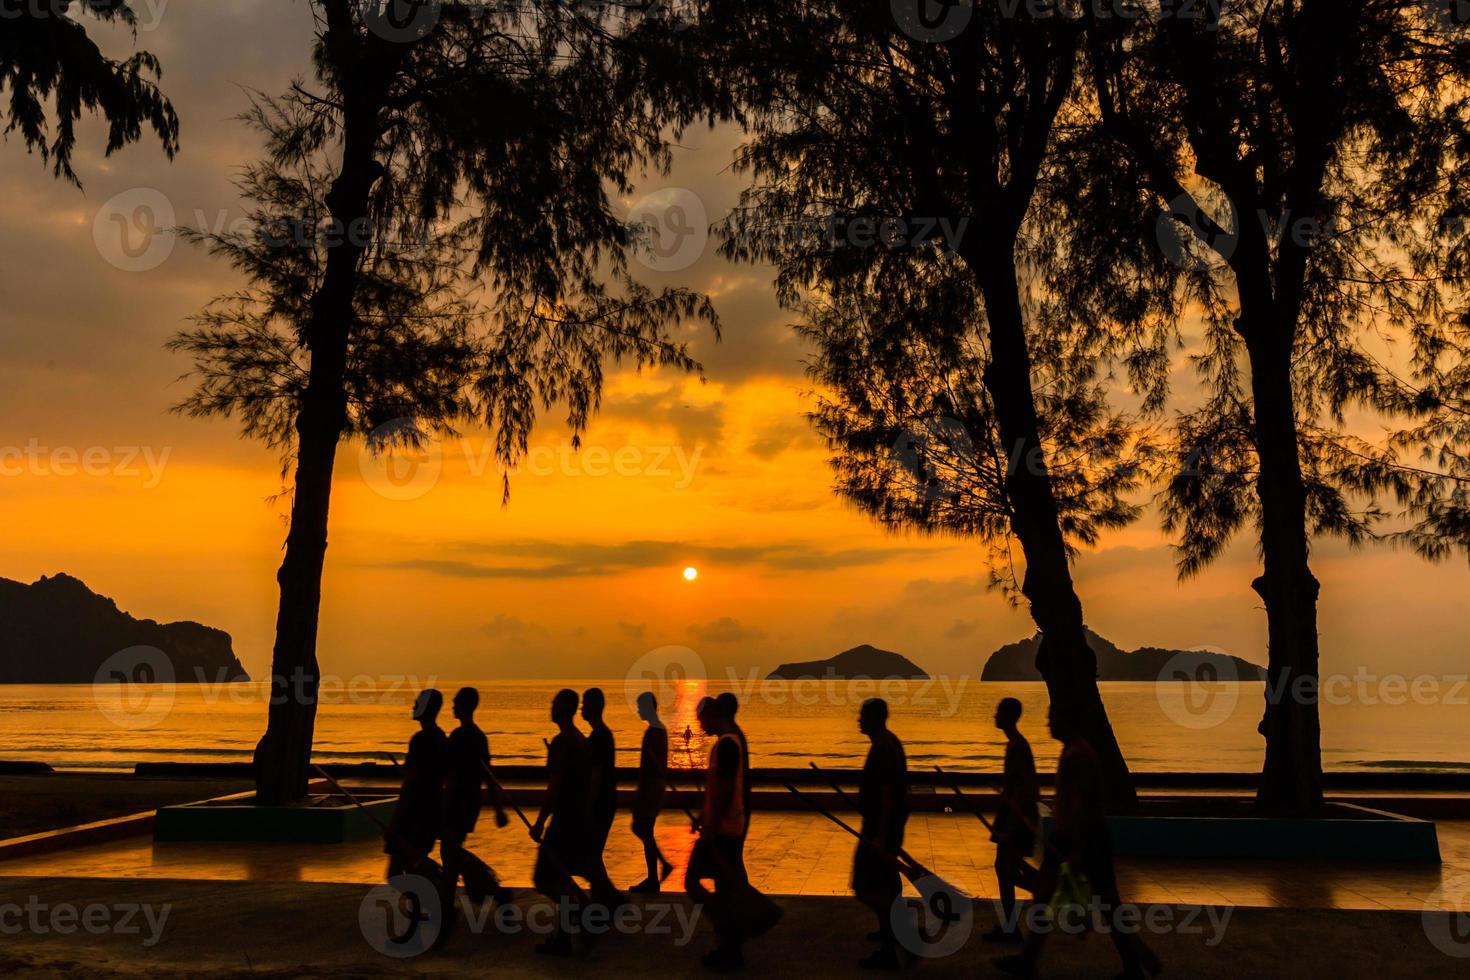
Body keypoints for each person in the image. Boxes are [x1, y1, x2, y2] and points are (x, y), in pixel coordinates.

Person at [996, 705, 1161, 980]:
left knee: (1105, 905)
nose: (1048, 722)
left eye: (1053, 717)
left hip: (1082, 839)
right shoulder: (1074, 751)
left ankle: (1136, 961)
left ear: (1067, 721)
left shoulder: (1078, 755)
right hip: (1075, 837)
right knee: (1048, 897)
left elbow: (1081, 804)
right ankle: (1028, 960)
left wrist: (1074, 850)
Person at [685, 695, 778, 970]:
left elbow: (726, 791)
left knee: (694, 882)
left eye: (702, 719)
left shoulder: (727, 745)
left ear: (713, 715)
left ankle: (732, 931)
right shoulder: (730, 741)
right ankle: (730, 944)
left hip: (723, 831)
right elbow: (721, 789)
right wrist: (704, 815)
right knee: (726, 887)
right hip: (723, 827)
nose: (700, 725)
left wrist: (711, 830)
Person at [530, 688, 592, 956]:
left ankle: (582, 911)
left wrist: (540, 821)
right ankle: (565, 936)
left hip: (564, 820)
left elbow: (554, 787)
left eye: (554, 703)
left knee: (544, 878)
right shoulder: (581, 740)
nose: (550, 707)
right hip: (578, 817)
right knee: (562, 878)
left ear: (562, 709)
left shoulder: (562, 742)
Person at [442, 686, 512, 910]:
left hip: (457, 802)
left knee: (450, 850)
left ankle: (491, 890)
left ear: (463, 706)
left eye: (455, 702)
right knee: (450, 850)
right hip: (470, 803)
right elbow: (489, 775)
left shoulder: (459, 736)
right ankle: (452, 899)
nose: (452, 706)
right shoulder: (479, 736)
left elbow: (451, 773)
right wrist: (498, 809)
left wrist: (444, 802)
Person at [853, 697, 909, 970]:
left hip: (879, 829)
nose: (858, 719)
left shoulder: (882, 749)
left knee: (865, 887)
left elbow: (886, 795)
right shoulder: (889, 742)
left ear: (875, 718)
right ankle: (894, 929)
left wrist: (881, 836)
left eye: (863, 715)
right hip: (886, 827)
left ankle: (892, 942)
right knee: (888, 883)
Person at [986, 696, 1038, 942]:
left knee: (1007, 868)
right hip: (1013, 814)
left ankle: (1042, 892)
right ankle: (1009, 925)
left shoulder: (1017, 746)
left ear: (1009, 716)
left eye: (999, 711)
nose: (994, 715)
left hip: (1017, 817)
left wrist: (1010, 826)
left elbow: (1021, 791)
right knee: (1005, 867)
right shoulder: (1015, 744)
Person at [384, 689, 448, 879]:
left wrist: (395, 822)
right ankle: (424, 905)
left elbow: (410, 784)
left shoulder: (420, 740)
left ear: (427, 708)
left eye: (418, 702)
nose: (413, 706)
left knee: (396, 874)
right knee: (414, 868)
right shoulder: (441, 738)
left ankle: (429, 902)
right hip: (430, 813)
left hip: (413, 815)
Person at [581, 687, 624, 905]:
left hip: (601, 803)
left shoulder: (599, 736)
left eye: (585, 703)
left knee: (592, 853)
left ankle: (607, 899)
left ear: (595, 707)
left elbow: (597, 775)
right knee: (593, 854)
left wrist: (588, 806)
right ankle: (606, 898)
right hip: (605, 801)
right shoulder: (600, 735)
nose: (582, 708)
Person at [630, 690, 674, 892]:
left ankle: (656, 873)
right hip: (655, 786)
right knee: (643, 829)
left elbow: (652, 764)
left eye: (640, 707)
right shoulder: (659, 729)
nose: (638, 710)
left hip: (651, 787)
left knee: (642, 828)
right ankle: (654, 875)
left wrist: (642, 791)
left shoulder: (654, 731)